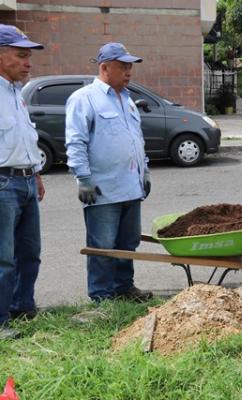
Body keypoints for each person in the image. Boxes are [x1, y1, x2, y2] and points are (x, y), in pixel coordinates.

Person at [65, 42, 153, 303]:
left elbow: (137, 140)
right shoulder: (84, 98)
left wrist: (144, 172)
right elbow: (76, 142)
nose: (129, 71)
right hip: (102, 190)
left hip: (131, 187)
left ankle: (124, 287)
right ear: (104, 67)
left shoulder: (127, 100)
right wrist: (83, 179)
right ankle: (102, 296)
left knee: (128, 244)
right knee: (102, 247)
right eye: (123, 66)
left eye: (130, 66)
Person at [0, 24, 45, 340]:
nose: (28, 63)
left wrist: (37, 174)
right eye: (21, 55)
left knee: (29, 253)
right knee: (2, 259)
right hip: (3, 185)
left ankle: (22, 309)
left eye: (29, 56)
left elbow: (24, 139)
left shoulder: (16, 94)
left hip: (26, 182)